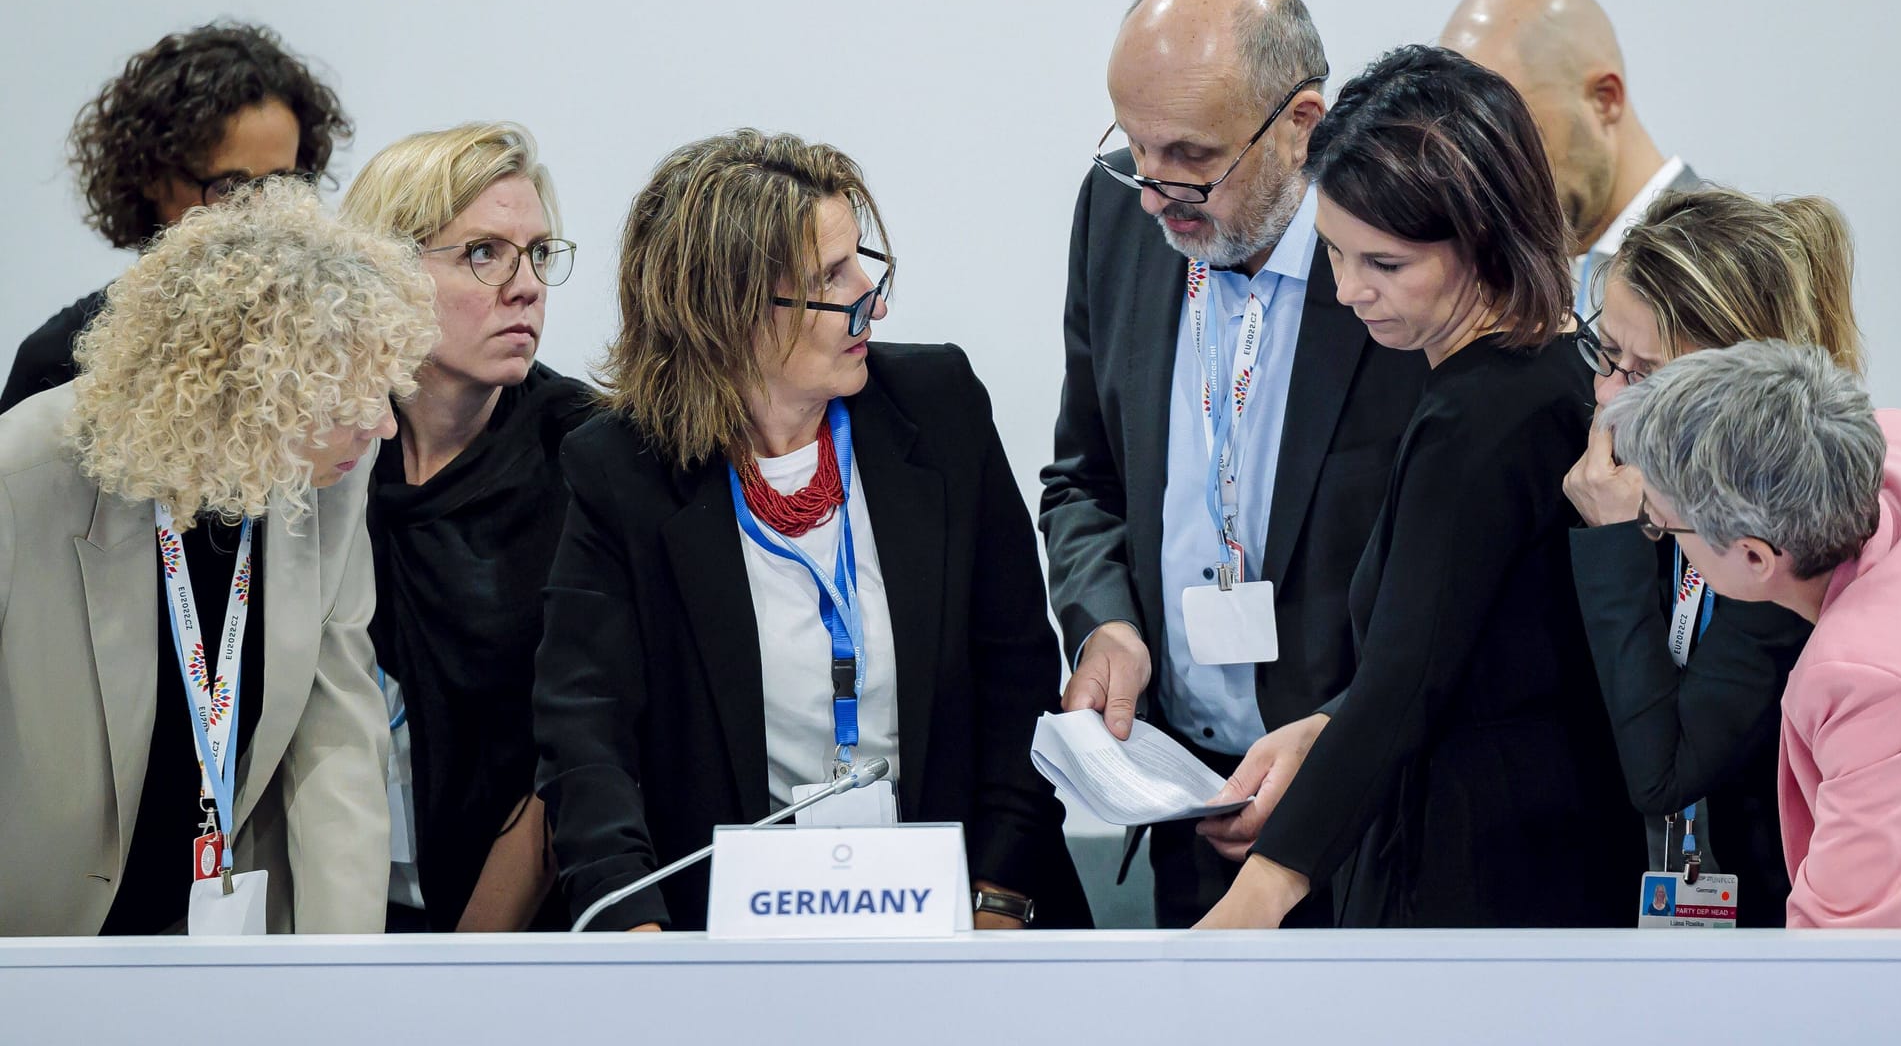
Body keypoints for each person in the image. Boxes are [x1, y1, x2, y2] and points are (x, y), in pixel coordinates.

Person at [533, 129, 1091, 932]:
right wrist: (636, 935)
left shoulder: (937, 411)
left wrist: (998, 900)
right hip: (741, 932)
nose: (875, 296)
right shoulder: (621, 472)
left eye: (860, 259)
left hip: (969, 914)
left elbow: (1018, 682)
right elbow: (586, 733)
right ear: (729, 310)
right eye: (834, 276)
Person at [1195, 45, 1642, 929]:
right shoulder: (1553, 369)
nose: (1350, 291)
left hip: (1483, 876)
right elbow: (1464, 645)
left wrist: (1256, 899)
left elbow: (1408, 681)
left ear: (1482, 235)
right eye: (1333, 252)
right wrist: (1331, 728)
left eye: (1385, 265)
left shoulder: (1476, 421)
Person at [1039, 0, 1427, 926]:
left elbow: (1459, 577)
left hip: (1376, 821)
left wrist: (1337, 740)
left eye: (1189, 156)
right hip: (1188, 804)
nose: (1152, 191)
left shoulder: (1408, 269)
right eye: (1132, 147)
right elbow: (1082, 478)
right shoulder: (1117, 218)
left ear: (1302, 123)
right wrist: (1103, 622)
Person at [0, 180, 438, 935]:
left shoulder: (332, 472)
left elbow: (338, 730)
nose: (381, 429)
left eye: (382, 391)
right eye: (342, 402)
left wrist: (346, 977)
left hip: (206, 936)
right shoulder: (24, 481)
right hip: (34, 939)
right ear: (245, 392)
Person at [1565, 186, 1864, 925]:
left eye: (1648, 375)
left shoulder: (1799, 519)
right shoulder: (1633, 465)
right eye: (1607, 355)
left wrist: (1614, 541)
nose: (1607, 395)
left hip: (1783, 916)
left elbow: (1665, 772)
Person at [341, 123, 593, 932]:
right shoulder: (322, 450)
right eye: (484, 253)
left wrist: (469, 961)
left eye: (539, 254)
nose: (525, 286)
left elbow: (577, 750)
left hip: (519, 926)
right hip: (331, 903)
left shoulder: (583, 458)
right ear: (385, 270)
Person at [1607, 341, 1901, 928]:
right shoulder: (1895, 438)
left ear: (1754, 557)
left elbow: (1843, 937)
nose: (1658, 535)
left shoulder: (1865, 676)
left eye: (1661, 522)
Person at [2, 23, 352, 412]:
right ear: (153, 177)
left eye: (280, 183)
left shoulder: (337, 343)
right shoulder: (57, 361)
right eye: (229, 186)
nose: (260, 214)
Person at [1438, 0, 1700, 315]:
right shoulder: (1514, 274)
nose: (1487, 180)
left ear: (1605, 99)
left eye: (1516, 140)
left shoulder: (1720, 276)